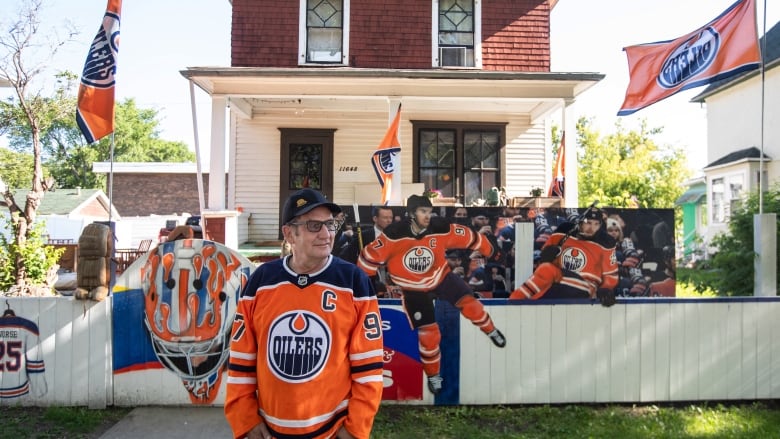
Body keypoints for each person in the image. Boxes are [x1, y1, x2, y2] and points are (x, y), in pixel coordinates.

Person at [225, 188, 384, 439]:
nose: (326, 234)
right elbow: (241, 360)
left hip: (332, 430)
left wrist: (354, 428)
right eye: (313, 226)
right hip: (269, 430)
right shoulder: (261, 281)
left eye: (330, 224)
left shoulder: (353, 281)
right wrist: (245, 419)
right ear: (289, 233)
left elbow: (369, 366)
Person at [358, 194, 506, 395]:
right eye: (423, 212)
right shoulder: (393, 234)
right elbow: (367, 260)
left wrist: (493, 252)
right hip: (412, 288)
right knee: (429, 334)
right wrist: (368, 286)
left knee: (470, 303)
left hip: (441, 276)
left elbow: (472, 238)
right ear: (411, 214)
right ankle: (434, 375)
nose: (428, 216)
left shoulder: (441, 228)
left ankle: (490, 330)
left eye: (429, 212)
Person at [509, 207, 619, 306]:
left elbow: (611, 275)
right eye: (588, 223)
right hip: (558, 281)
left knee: (547, 273)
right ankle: (514, 303)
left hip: (586, 286)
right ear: (580, 222)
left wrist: (606, 288)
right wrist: (546, 255)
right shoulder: (564, 231)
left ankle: (513, 305)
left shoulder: (606, 242)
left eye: (596, 224)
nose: (592, 228)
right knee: (545, 271)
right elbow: (544, 260)